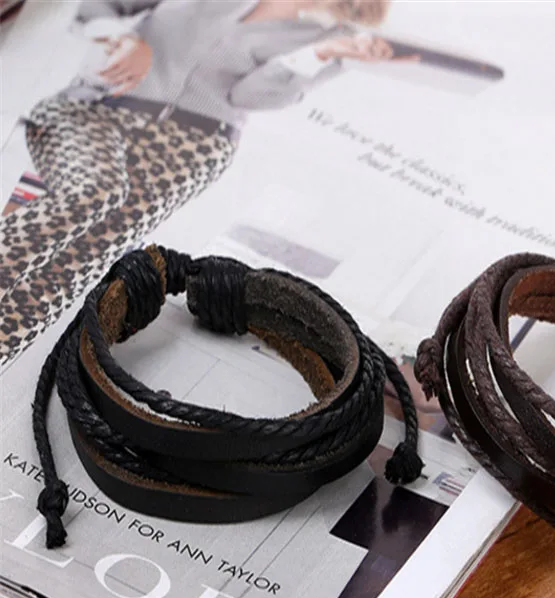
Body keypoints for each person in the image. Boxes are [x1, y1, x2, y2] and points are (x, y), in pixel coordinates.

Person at [0, 0, 396, 364]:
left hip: (190, 145)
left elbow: (250, 96)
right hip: (100, 109)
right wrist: (123, 40)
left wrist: (319, 54)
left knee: (79, 258)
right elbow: (102, 6)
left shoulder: (331, 39)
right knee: (92, 192)